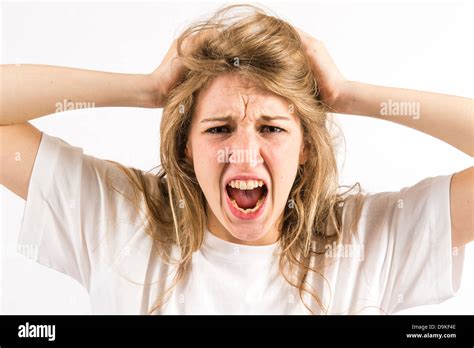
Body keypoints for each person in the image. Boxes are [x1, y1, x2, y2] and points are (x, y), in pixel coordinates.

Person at [0, 5, 472, 314]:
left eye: (271, 128)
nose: (244, 151)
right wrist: (147, 88)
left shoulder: (369, 243)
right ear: (187, 144)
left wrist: (348, 95)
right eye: (219, 128)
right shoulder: (119, 219)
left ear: (305, 146)